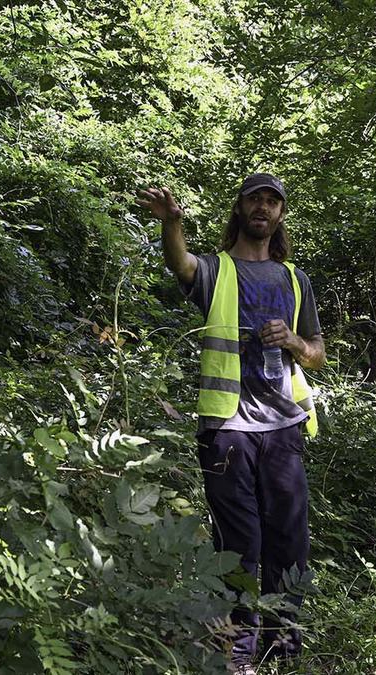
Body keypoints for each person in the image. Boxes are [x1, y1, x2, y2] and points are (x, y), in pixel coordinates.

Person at [136, 173, 324, 674]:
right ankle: (236, 657)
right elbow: (182, 263)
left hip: (283, 429)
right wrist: (172, 224)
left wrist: (294, 344)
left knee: (289, 545)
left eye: (272, 201)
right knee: (239, 547)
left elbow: (317, 354)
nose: (263, 207)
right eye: (254, 199)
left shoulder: (294, 280)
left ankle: (282, 653)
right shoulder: (218, 271)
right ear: (241, 209)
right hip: (228, 428)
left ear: (280, 215)